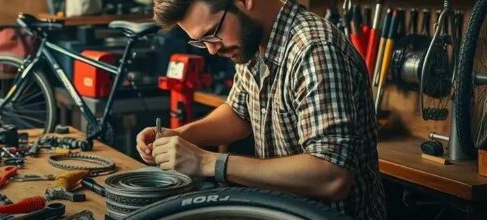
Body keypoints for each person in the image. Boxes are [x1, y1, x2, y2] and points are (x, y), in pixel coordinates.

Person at [137, 0, 386, 219]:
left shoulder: (314, 50)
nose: (212, 49)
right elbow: (238, 113)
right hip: (281, 210)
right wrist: (180, 136)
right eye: (201, 42)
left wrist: (207, 162)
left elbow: (332, 176)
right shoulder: (252, 42)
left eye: (212, 34)